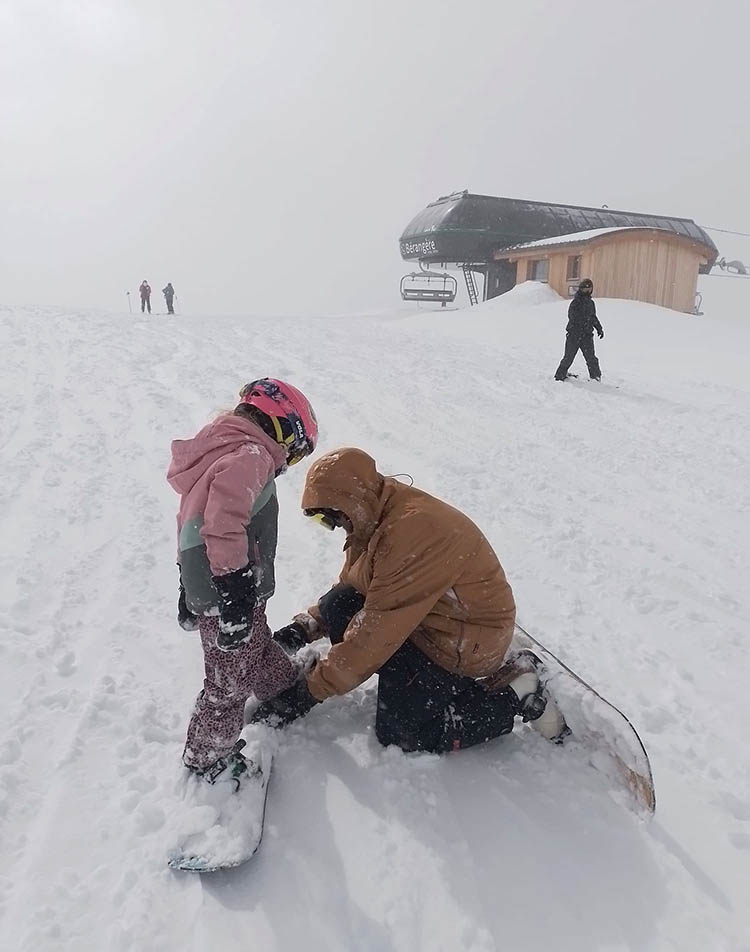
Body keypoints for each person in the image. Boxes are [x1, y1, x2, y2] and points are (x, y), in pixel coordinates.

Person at [253, 448, 564, 753]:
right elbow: (353, 584)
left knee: (403, 733)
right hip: (429, 622)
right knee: (340, 606)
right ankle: (425, 687)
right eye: (323, 520)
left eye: (331, 517)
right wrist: (305, 628)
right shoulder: (373, 512)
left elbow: (374, 634)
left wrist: (307, 693)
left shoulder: (411, 533)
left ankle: (517, 691)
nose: (333, 525)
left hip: (463, 642)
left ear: (351, 501)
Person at [167, 378, 318, 782]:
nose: (290, 461)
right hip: (228, 589)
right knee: (226, 684)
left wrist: (187, 582)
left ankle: (281, 687)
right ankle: (206, 759)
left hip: (226, 584)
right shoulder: (250, 456)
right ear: (282, 429)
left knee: (255, 644)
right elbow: (220, 525)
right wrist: (233, 591)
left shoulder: (223, 448)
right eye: (296, 451)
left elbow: (190, 520)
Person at [554, 278, 604, 381]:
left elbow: (593, 317)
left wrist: (599, 328)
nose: (587, 291)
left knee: (591, 358)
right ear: (580, 289)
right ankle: (560, 375)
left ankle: (595, 376)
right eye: (584, 289)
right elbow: (572, 316)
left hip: (587, 336)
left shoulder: (591, 303)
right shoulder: (575, 302)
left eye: (589, 289)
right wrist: (583, 322)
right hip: (574, 335)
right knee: (568, 357)